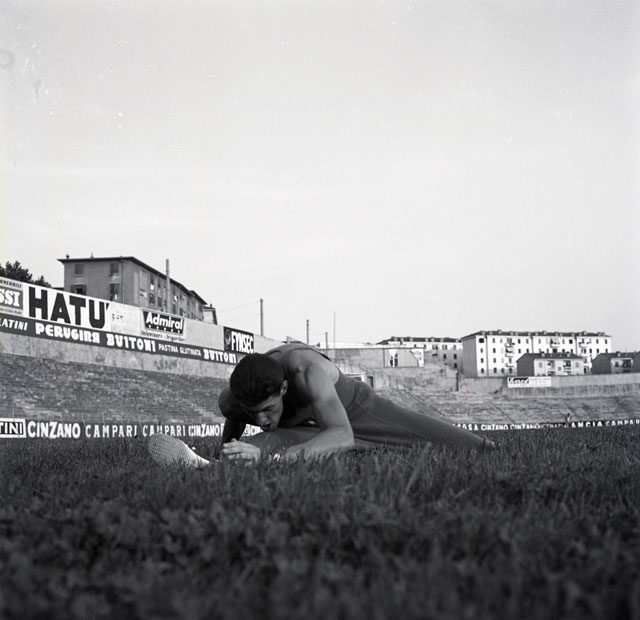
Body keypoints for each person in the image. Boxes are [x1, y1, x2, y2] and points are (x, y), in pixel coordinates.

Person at [148, 344, 494, 468]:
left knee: (474, 448)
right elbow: (236, 423)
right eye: (253, 413)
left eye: (268, 409)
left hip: (354, 413)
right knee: (261, 444)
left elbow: (341, 435)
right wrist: (229, 452)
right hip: (307, 428)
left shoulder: (305, 370)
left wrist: (280, 460)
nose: (262, 419)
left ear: (284, 389)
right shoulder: (234, 399)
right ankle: (204, 465)